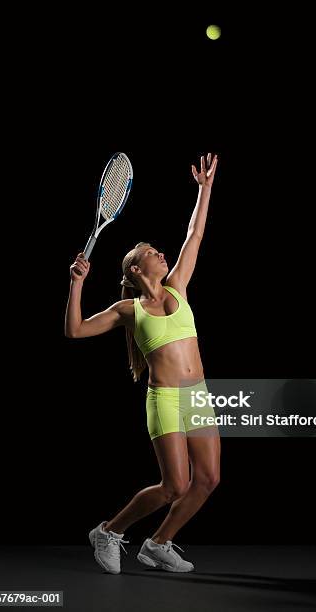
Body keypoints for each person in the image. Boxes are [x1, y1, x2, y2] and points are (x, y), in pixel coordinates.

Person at [65, 153, 221, 574]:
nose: (162, 253)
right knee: (176, 486)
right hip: (166, 399)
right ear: (136, 267)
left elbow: (194, 233)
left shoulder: (179, 287)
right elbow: (75, 331)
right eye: (153, 252)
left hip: (198, 397)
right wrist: (77, 285)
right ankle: (109, 531)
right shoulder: (128, 310)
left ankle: (157, 544)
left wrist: (204, 190)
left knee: (207, 480)